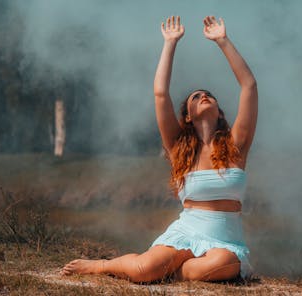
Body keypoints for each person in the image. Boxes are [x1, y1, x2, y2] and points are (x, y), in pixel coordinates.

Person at [61, 15, 258, 283]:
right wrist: (170, 44)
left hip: (224, 243)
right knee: (144, 271)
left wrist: (223, 41)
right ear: (187, 116)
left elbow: (249, 86)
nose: (203, 96)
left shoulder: (236, 145)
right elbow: (160, 94)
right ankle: (100, 265)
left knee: (215, 266)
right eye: (196, 97)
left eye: (208, 95)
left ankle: (175, 268)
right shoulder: (180, 148)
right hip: (186, 234)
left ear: (220, 111)